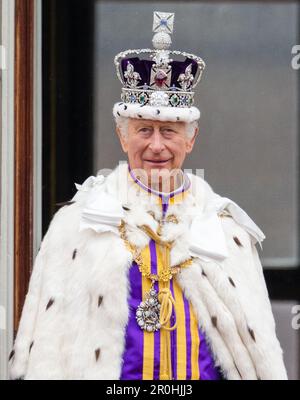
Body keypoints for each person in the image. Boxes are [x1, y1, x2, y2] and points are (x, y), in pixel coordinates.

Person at [9, 11, 287, 380]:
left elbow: (257, 357)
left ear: (191, 138)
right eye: (144, 129)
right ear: (123, 136)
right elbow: (46, 352)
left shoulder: (228, 232)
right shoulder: (76, 225)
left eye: (169, 131)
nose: (156, 145)